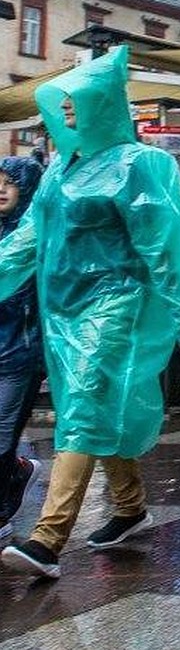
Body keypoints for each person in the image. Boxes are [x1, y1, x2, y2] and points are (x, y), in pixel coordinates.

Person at [0, 45, 180, 579]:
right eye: (63, 104)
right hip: (63, 310)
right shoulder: (59, 171)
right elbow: (28, 241)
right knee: (94, 404)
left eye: (79, 102)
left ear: (104, 103)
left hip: (118, 302)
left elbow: (164, 246)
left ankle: (48, 539)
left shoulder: (142, 164)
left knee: (85, 402)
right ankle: (128, 505)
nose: (67, 112)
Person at [0, 157, 45, 545]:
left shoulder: (38, 234)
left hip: (21, 352)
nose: (1, 189)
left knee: (0, 434)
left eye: (10, 182)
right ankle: (17, 472)